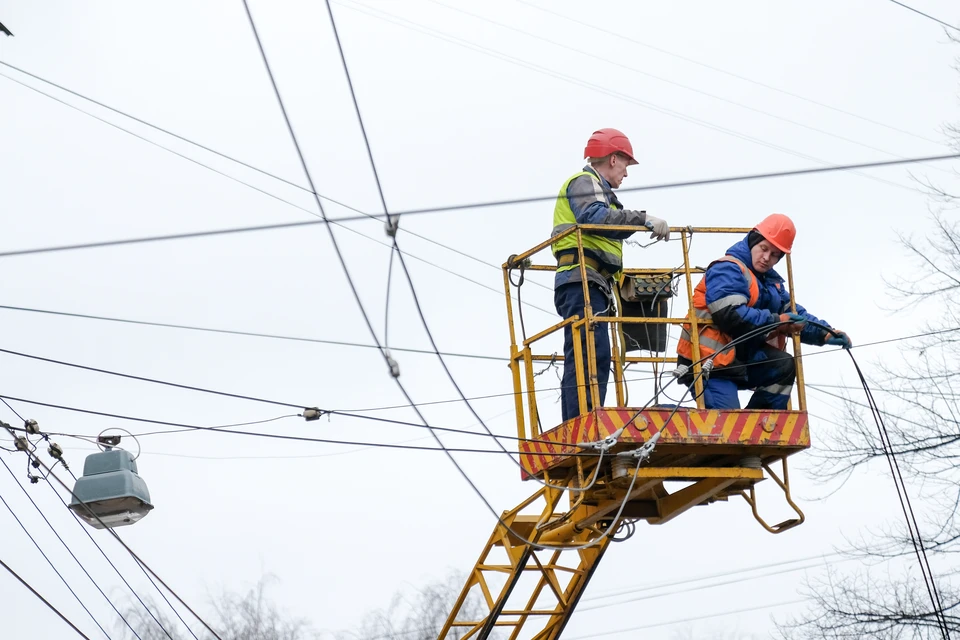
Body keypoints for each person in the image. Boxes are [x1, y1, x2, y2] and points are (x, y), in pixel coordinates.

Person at [551, 128, 670, 422]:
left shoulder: (601, 192)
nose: (626, 174)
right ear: (614, 159)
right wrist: (643, 219)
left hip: (593, 283)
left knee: (596, 355)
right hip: (581, 281)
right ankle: (582, 424)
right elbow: (594, 218)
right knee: (589, 354)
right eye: (627, 165)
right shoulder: (584, 182)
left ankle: (585, 420)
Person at [676, 213, 851, 410]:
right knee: (725, 424)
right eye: (764, 249)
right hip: (707, 362)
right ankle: (668, 414)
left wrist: (824, 333)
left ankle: (761, 424)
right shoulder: (727, 269)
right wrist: (778, 321)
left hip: (737, 358)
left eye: (775, 254)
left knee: (783, 365)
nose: (767, 258)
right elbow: (730, 316)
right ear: (752, 242)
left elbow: (793, 312)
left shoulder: (769, 283)